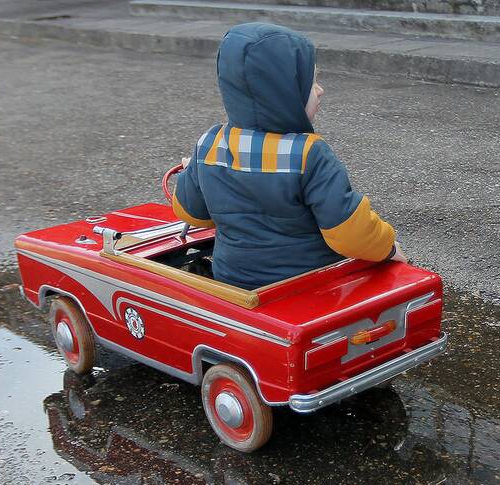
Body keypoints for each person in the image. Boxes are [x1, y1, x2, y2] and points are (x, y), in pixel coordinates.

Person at [171, 22, 406, 289]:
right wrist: (387, 247)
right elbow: (349, 232)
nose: (320, 90)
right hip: (306, 285)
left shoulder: (209, 145)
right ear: (283, 93)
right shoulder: (308, 153)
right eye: (311, 82)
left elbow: (192, 213)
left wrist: (194, 172)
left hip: (233, 283)